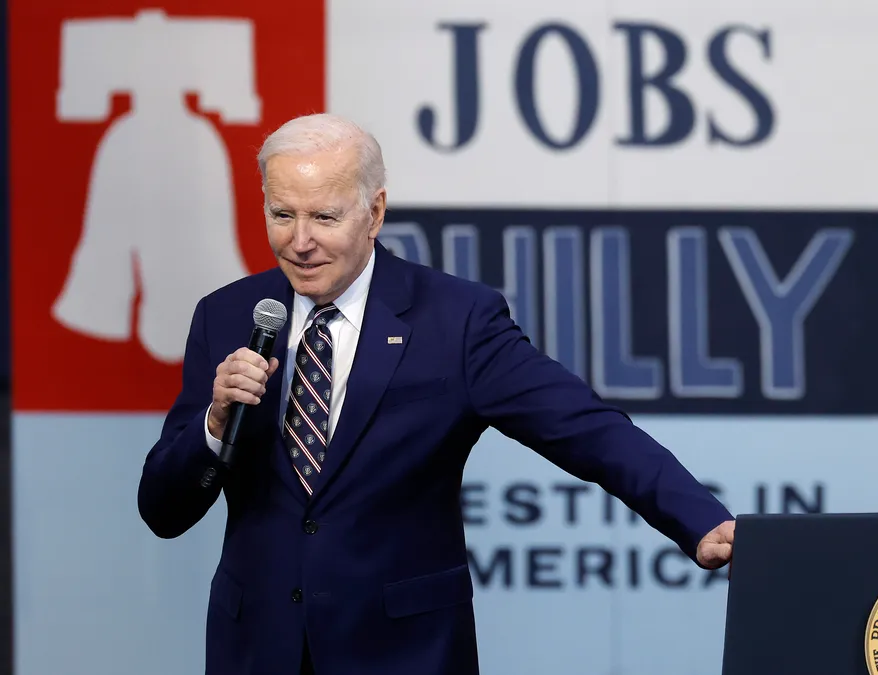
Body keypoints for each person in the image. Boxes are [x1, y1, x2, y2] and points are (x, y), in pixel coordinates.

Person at [137, 113, 736, 675]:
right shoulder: (225, 315)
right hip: (256, 649)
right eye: (281, 214)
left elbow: (584, 427)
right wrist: (215, 424)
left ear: (374, 213)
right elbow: (162, 509)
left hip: (404, 651)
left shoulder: (456, 319)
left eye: (324, 217)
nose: (299, 242)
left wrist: (697, 518)